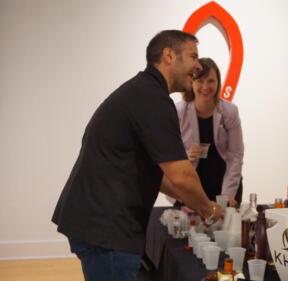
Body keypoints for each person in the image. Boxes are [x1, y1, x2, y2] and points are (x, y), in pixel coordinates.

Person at [51, 30, 224, 281]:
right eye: (193, 56)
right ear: (168, 56)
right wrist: (208, 209)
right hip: (108, 229)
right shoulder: (152, 99)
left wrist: (194, 201)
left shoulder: (143, 92)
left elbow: (155, 174)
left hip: (97, 223)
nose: (198, 66)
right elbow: (182, 175)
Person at [175, 57, 244, 206]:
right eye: (200, 81)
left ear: (218, 82)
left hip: (225, 185)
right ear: (192, 83)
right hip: (192, 185)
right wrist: (185, 155)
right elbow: (169, 152)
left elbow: (235, 156)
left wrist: (227, 195)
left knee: (227, 228)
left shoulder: (230, 111)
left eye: (211, 81)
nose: (205, 87)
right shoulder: (179, 111)